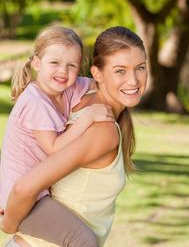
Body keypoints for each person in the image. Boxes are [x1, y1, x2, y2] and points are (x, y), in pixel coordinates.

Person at [1, 26, 148, 247]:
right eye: (120, 70)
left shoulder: (74, 94)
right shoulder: (101, 129)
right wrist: (9, 223)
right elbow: (24, 186)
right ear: (97, 73)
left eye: (140, 68)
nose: (134, 80)